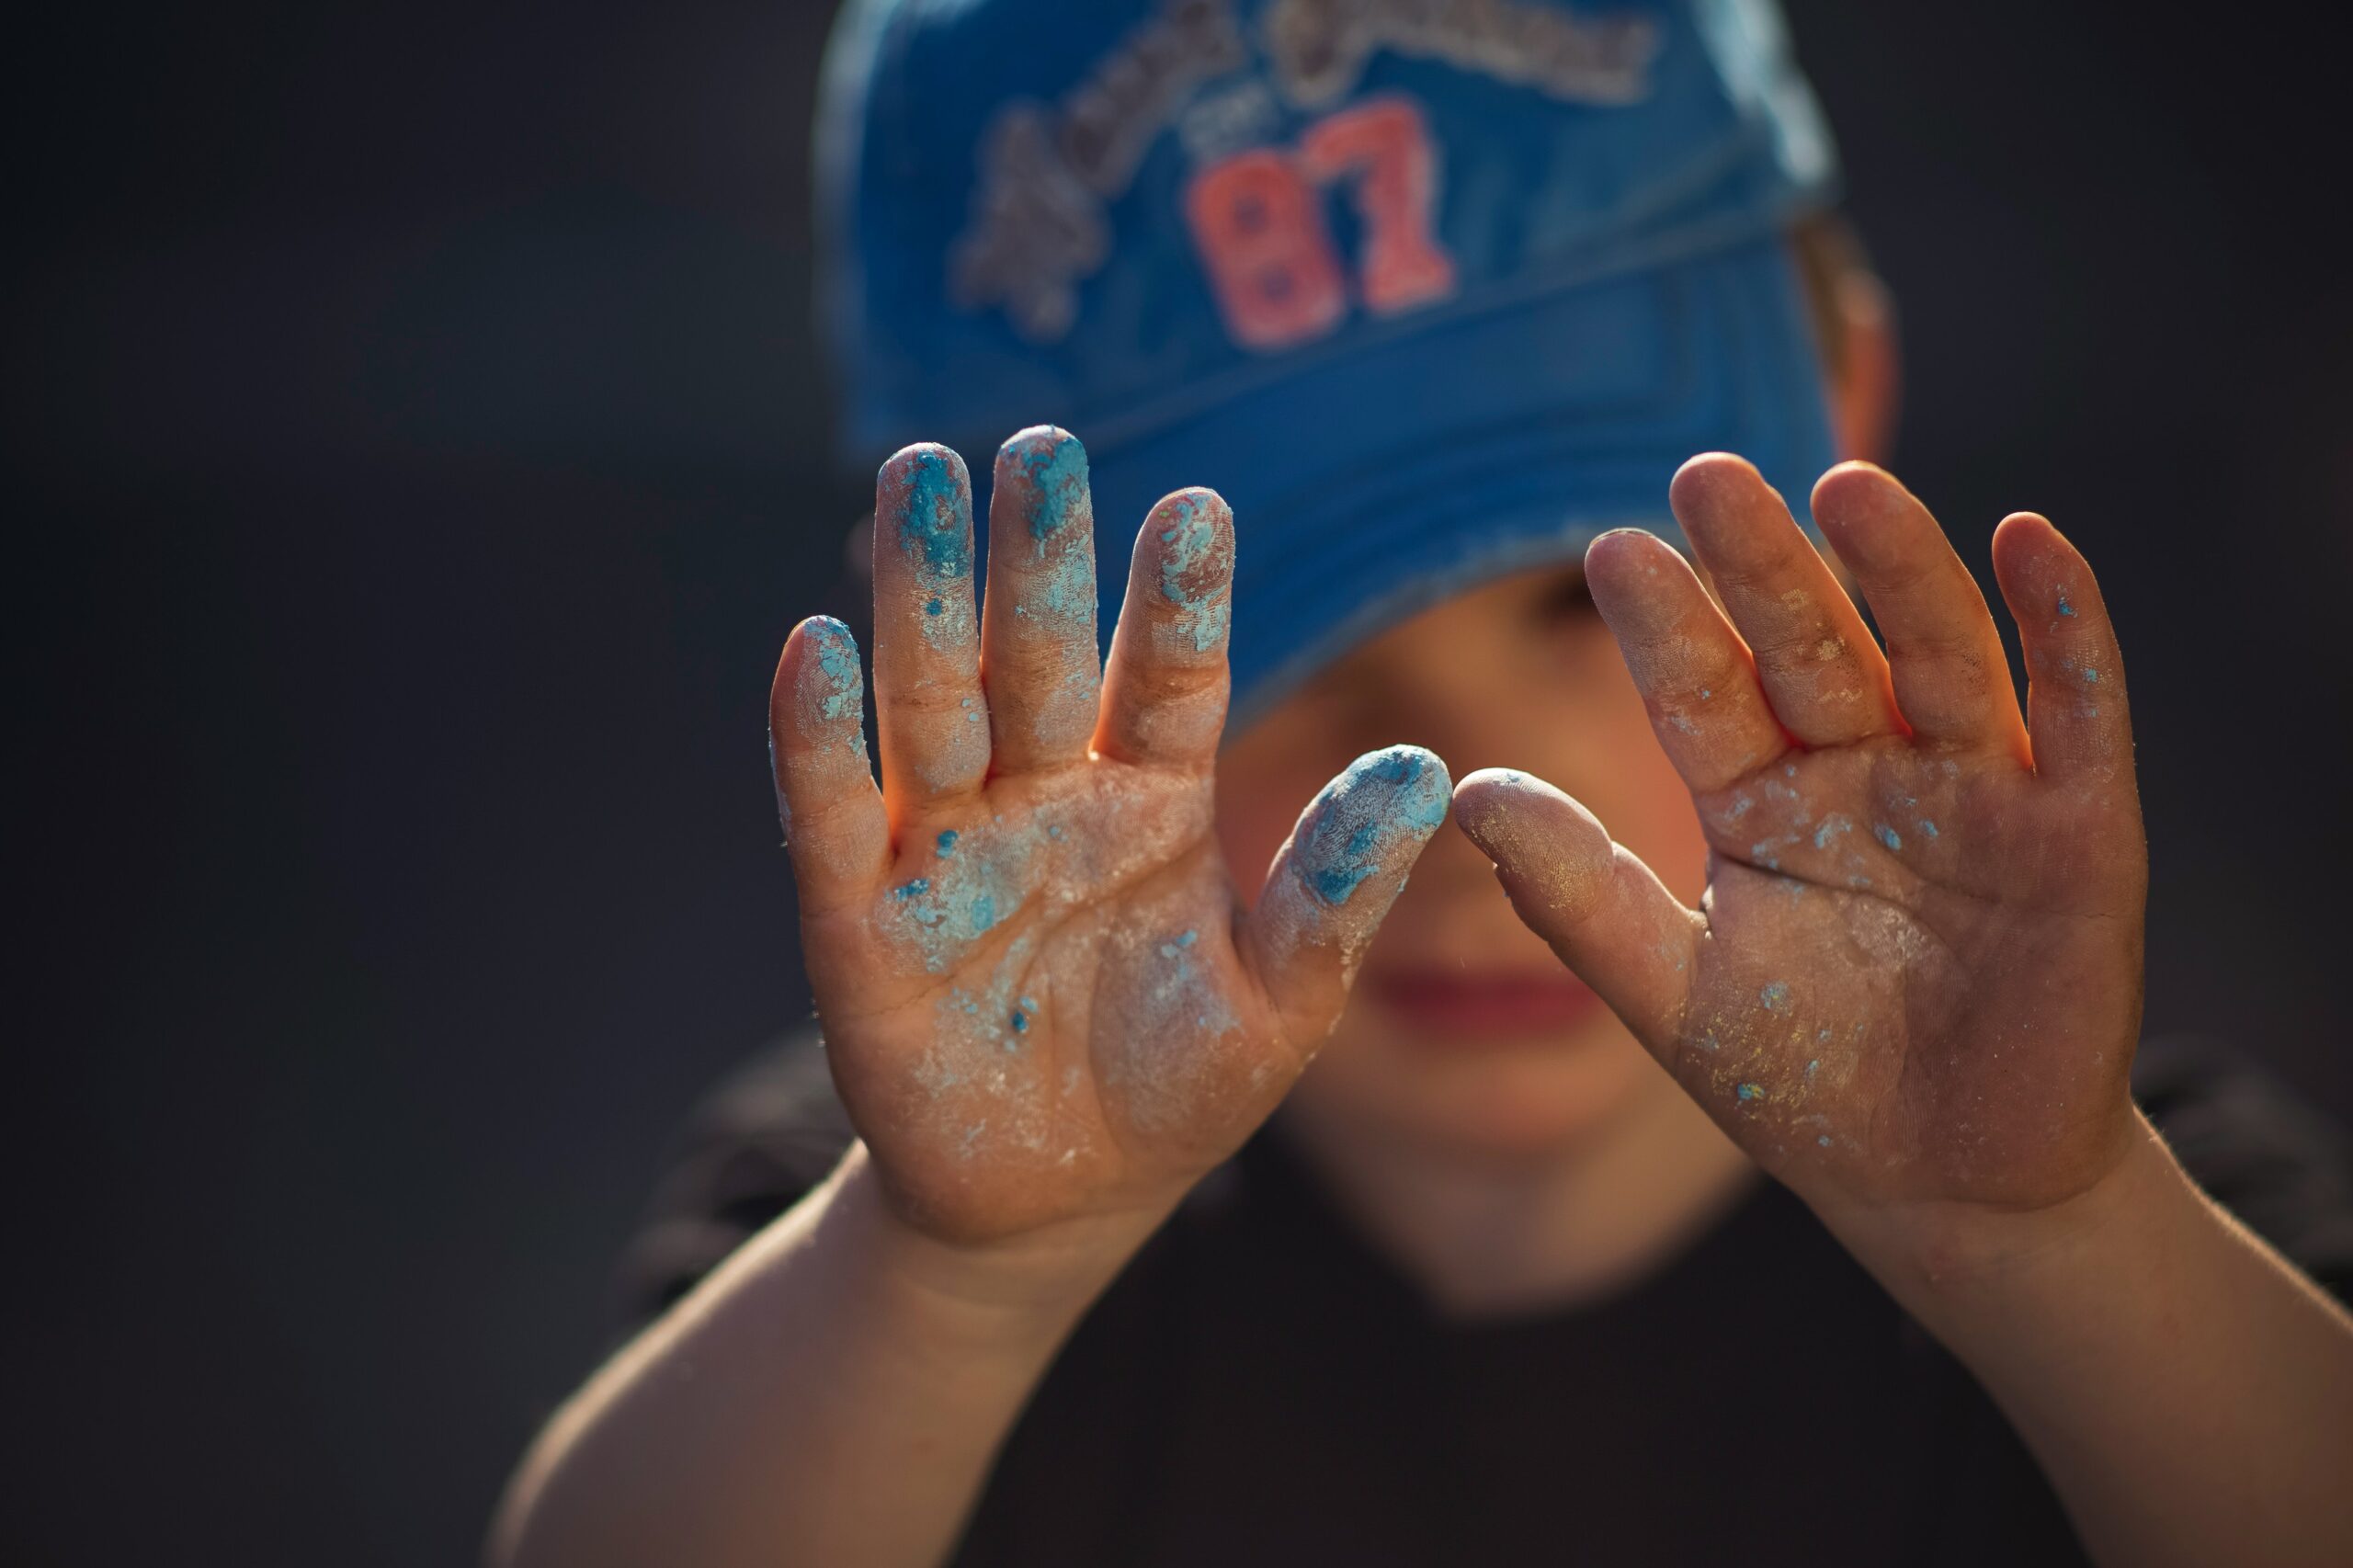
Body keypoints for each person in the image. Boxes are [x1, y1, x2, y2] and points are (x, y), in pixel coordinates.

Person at [491, 2, 2353, 1563]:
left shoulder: (2138, 1260)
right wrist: (953, 1280)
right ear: (977, 646)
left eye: (1584, 598)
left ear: (1839, 401)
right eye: (1258, 640)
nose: (1466, 803)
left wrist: (2047, 1240)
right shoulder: (892, 1248)